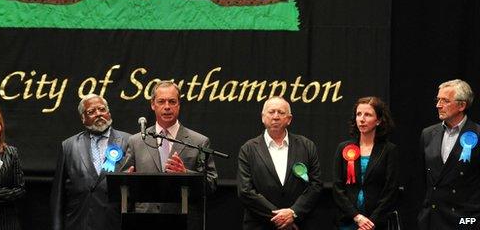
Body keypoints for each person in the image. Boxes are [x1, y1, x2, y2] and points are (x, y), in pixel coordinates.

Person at [121, 80, 218, 227]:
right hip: (144, 220)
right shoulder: (136, 141)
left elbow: (211, 184)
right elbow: (123, 185)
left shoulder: (199, 141)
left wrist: (186, 174)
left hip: (184, 220)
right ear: (153, 104)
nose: (167, 107)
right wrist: (128, 181)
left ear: (179, 104)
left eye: (172, 101)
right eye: (161, 101)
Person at [237, 96, 322, 230]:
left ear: (289, 119)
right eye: (271, 112)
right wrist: (281, 218)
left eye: (281, 113)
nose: (276, 116)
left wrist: (293, 213)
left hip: (298, 224)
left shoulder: (306, 146)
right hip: (260, 225)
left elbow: (315, 185)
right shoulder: (248, 149)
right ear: (263, 117)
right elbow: (245, 191)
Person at [50, 94, 130, 230]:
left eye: (102, 109)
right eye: (91, 112)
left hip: (116, 222)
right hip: (80, 222)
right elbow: (58, 196)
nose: (98, 114)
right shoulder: (69, 146)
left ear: (109, 113)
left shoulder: (129, 141)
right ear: (83, 118)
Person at [418, 79, 480, 230]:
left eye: (445, 100)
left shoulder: (477, 134)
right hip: (432, 218)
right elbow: (421, 178)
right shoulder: (428, 134)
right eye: (438, 99)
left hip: (465, 219)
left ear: (462, 105)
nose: (438, 105)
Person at [332, 97, 398, 230]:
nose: (362, 119)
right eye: (358, 114)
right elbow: (338, 188)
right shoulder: (344, 148)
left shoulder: (389, 150)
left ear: (378, 120)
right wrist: (357, 216)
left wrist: (370, 222)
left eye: (367, 115)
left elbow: (391, 190)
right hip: (348, 220)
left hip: (375, 223)